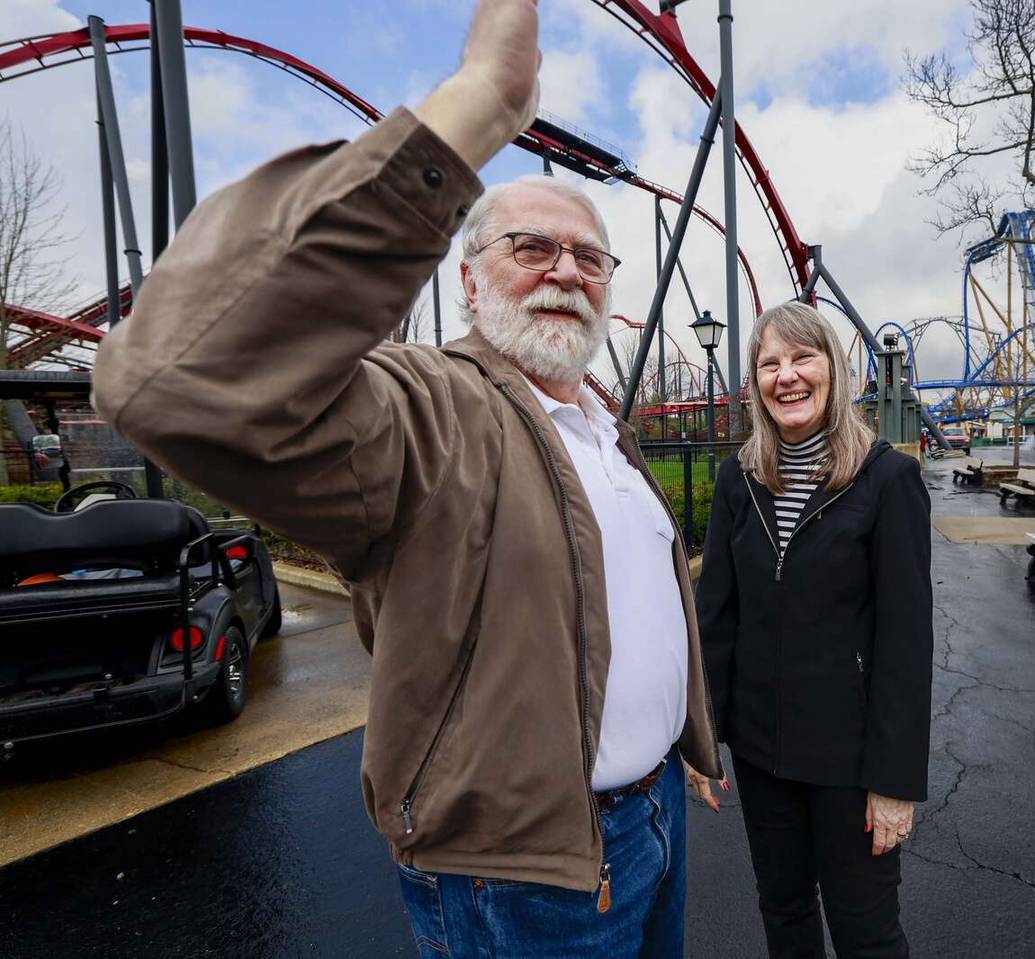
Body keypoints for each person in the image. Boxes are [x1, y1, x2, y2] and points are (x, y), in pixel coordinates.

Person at [91, 2, 723, 956]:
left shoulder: (605, 428)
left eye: (591, 257)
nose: (567, 271)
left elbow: (638, 601)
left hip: (656, 819)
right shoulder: (427, 408)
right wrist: (474, 107)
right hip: (521, 878)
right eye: (531, 248)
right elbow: (176, 381)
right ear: (468, 280)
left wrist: (691, 741)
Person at [693, 302, 933, 959]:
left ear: (835, 369)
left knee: (867, 931)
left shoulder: (888, 480)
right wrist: (704, 731)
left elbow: (906, 642)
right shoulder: (738, 479)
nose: (786, 376)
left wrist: (896, 780)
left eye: (803, 357)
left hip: (849, 759)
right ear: (755, 383)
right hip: (762, 748)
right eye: (769, 363)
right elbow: (716, 614)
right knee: (785, 910)